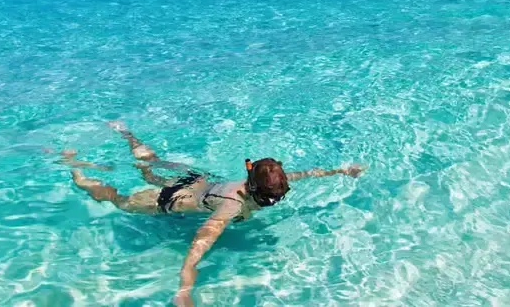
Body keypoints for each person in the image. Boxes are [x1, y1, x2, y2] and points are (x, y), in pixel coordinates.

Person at [61, 121, 363, 307]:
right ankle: (78, 171)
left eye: (279, 195)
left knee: (152, 166)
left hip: (197, 180)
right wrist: (184, 290)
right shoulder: (231, 204)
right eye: (273, 198)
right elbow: (198, 246)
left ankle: (124, 131)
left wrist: (341, 171)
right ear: (255, 189)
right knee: (122, 201)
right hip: (173, 198)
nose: (276, 200)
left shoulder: (266, 183)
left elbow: (304, 174)